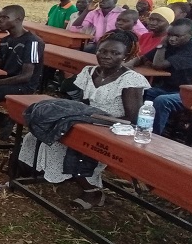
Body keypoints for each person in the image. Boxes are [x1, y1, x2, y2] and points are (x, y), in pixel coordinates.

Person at [18, 30, 149, 208]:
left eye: (115, 53)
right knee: (34, 136)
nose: (106, 56)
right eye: (102, 51)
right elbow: (83, 103)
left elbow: (132, 120)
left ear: (126, 56)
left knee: (58, 145)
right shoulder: (90, 72)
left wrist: (96, 119)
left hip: (114, 129)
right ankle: (38, 171)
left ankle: (92, 191)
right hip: (87, 121)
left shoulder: (130, 80)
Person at [0, 5, 45, 143]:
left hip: (23, 86)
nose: (0, 20)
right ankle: (0, 119)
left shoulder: (32, 42)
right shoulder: (5, 41)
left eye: (5, 17)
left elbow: (26, 76)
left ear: (18, 19)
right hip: (6, 82)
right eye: (0, 17)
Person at [133, 18, 192, 136]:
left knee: (162, 101)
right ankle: (135, 125)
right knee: (141, 91)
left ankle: (152, 135)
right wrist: (127, 65)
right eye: (169, 34)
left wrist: (161, 45)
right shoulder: (171, 45)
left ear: (190, 35)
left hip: (190, 93)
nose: (172, 38)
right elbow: (143, 58)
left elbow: (158, 65)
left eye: (177, 36)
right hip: (168, 88)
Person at [72, 0, 146, 51]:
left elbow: (143, 33)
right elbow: (75, 29)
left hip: (118, 45)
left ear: (114, 2)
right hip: (98, 44)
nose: (102, 1)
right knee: (85, 49)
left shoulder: (123, 14)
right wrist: (86, 10)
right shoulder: (94, 13)